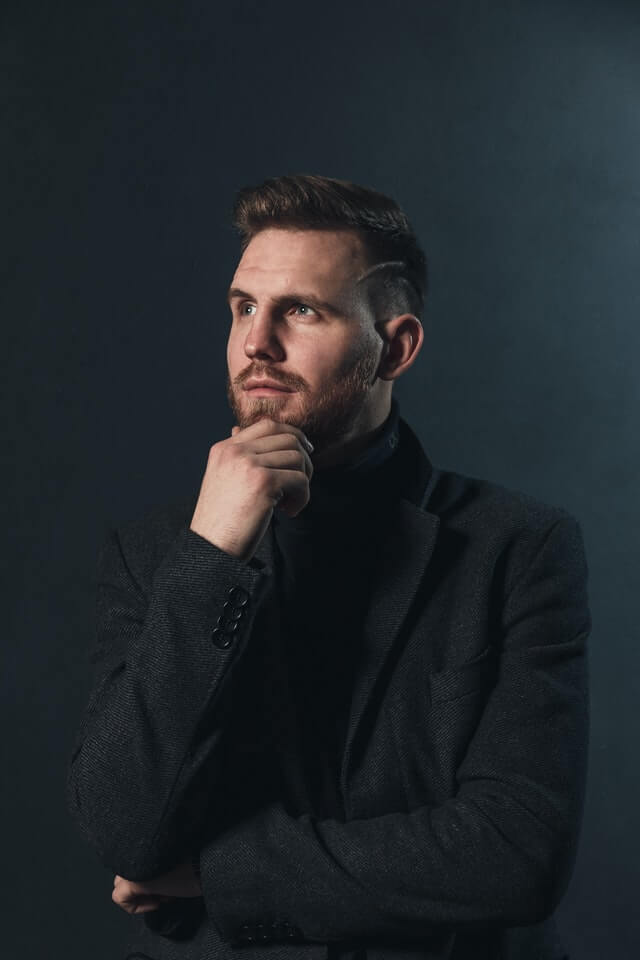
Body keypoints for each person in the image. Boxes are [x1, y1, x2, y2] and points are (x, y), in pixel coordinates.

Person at [66, 174, 590, 960]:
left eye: (301, 311)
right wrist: (211, 557)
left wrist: (217, 875)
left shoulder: (516, 547)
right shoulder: (155, 552)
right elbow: (122, 830)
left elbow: (515, 854)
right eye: (243, 307)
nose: (256, 343)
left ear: (395, 348)